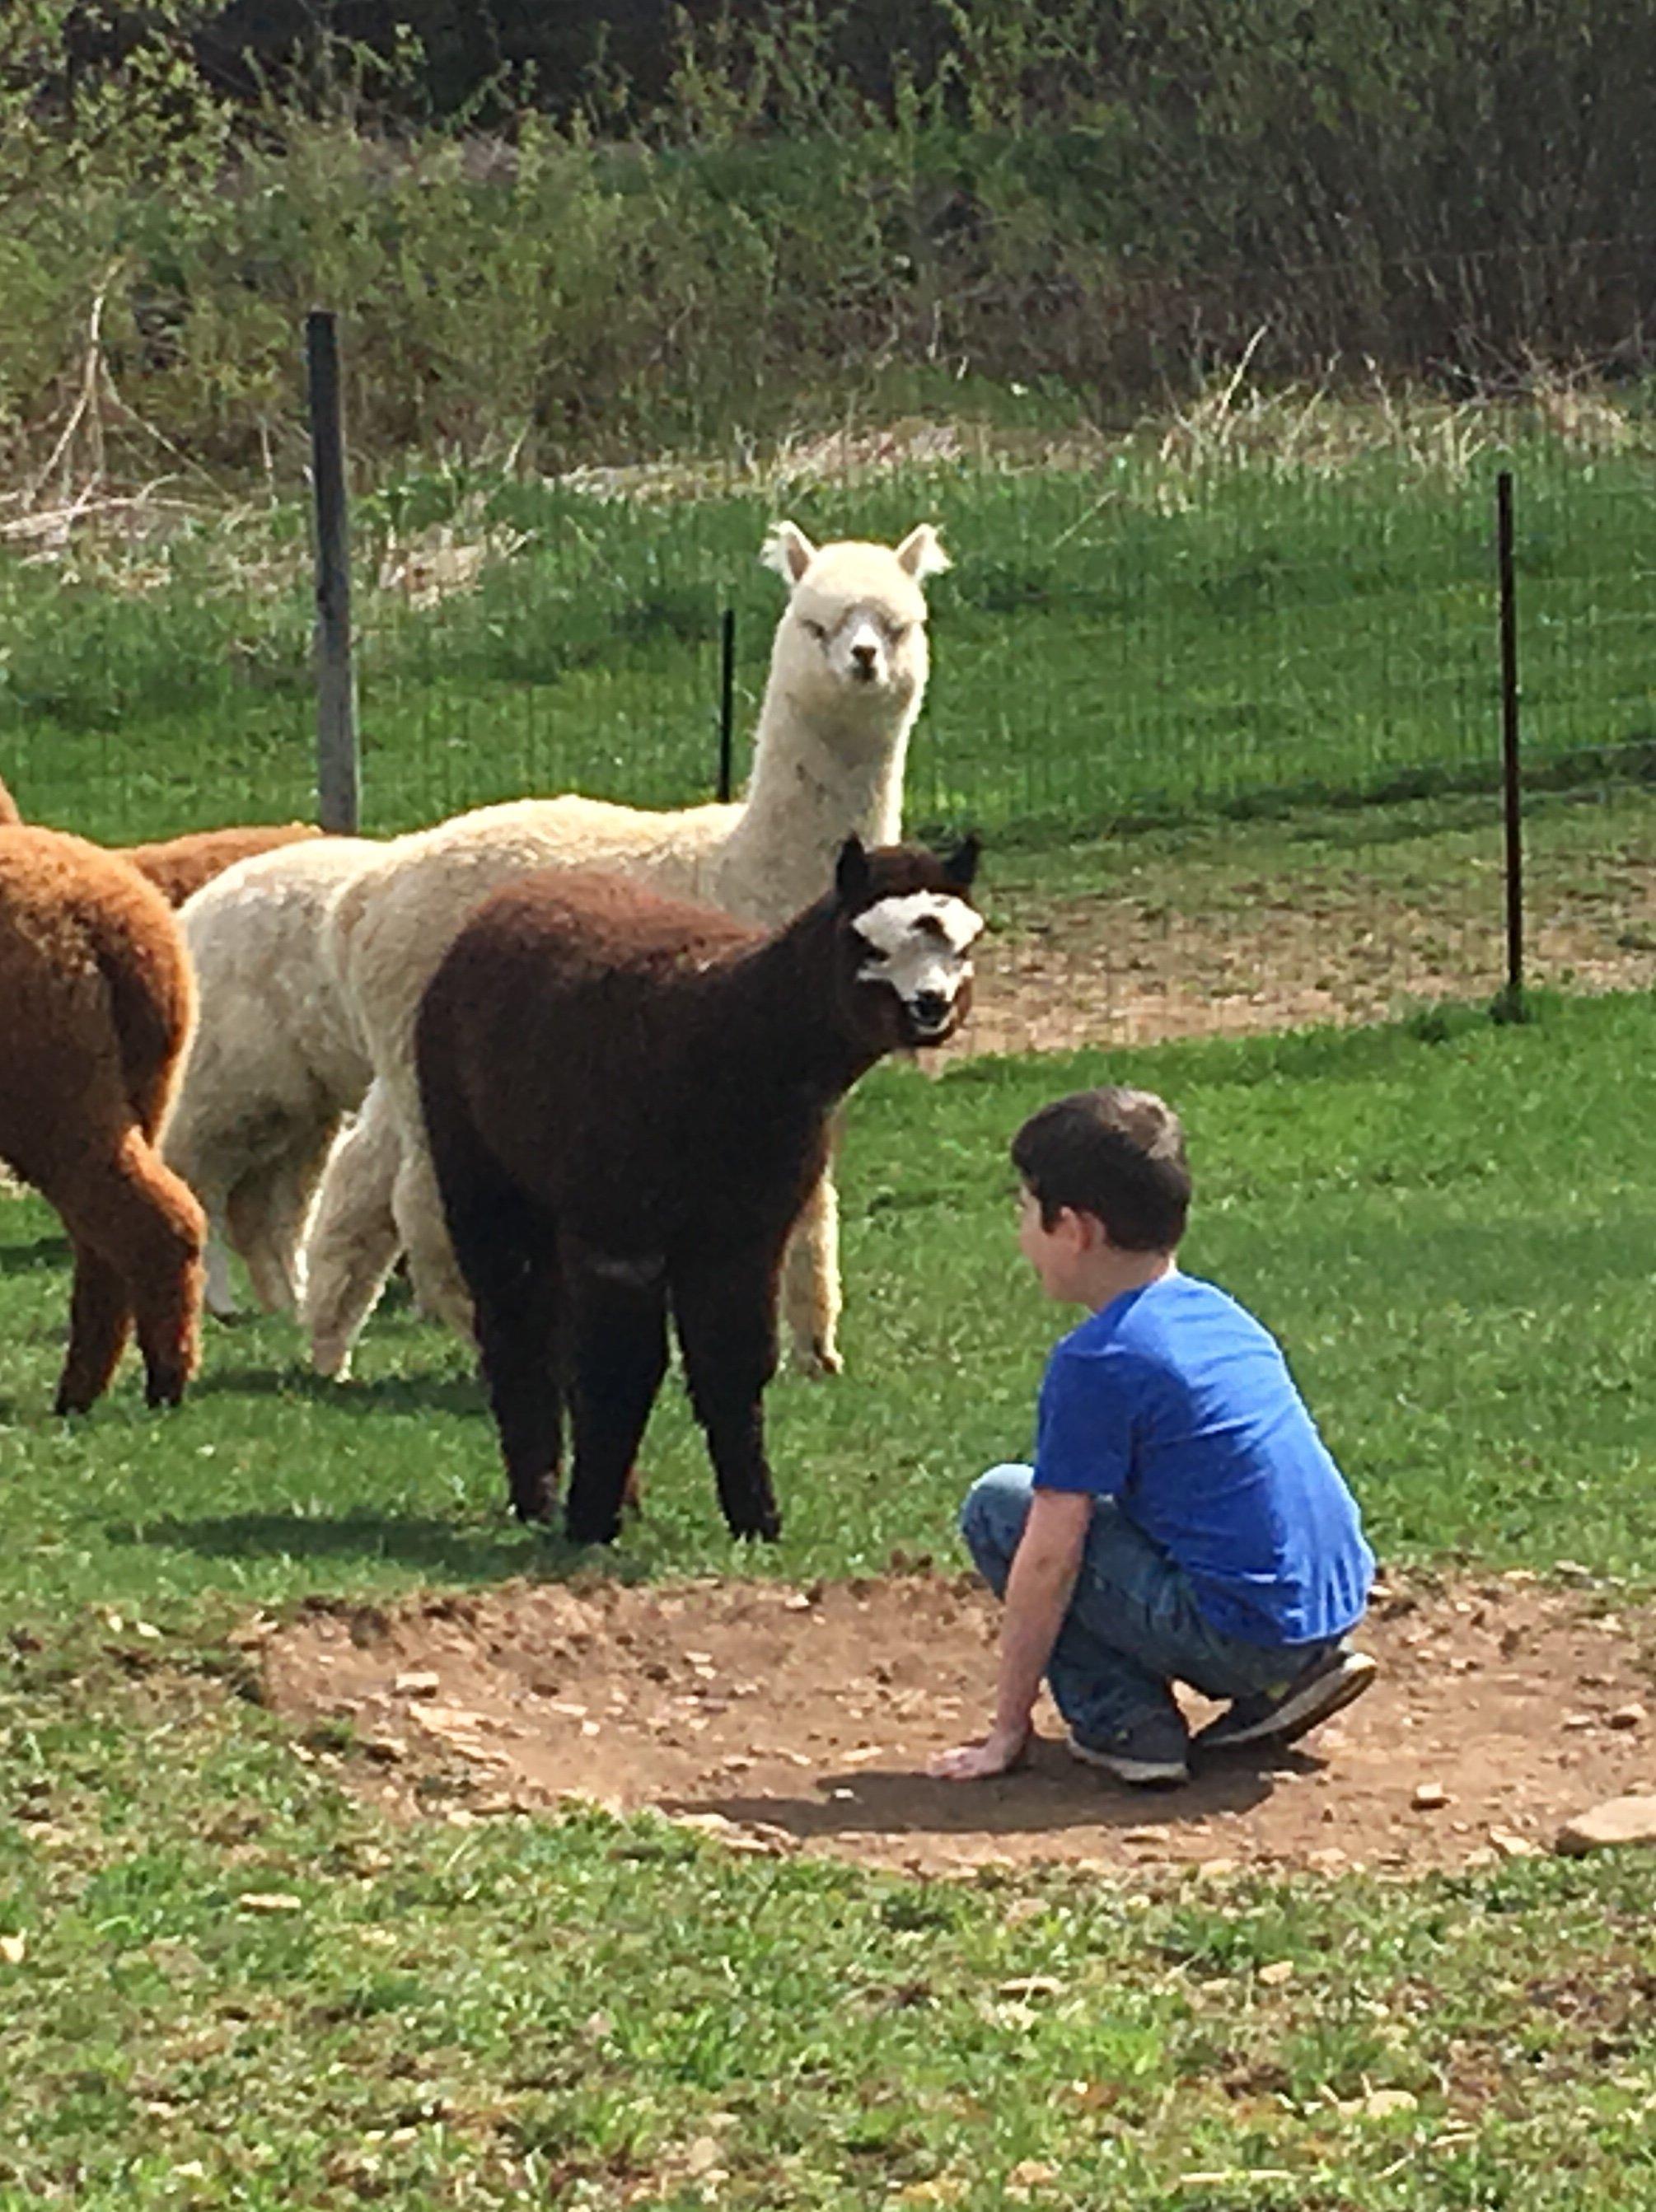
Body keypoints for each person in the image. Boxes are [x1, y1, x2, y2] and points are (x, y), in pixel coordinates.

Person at [931, 1085, 1376, 1789]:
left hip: (1242, 1635)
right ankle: (1292, 1678)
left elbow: (1049, 1558)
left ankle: (1125, 1722)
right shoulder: (1219, 1312)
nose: (1020, 1231)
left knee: (999, 1505)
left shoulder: (1098, 1359)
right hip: (1327, 1608)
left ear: (1074, 1228)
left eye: (1025, 1209)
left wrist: (1007, 1729)